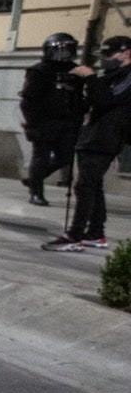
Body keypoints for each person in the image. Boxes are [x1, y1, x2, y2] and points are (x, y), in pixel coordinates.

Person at [44, 34, 131, 251]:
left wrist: (90, 78)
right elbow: (91, 103)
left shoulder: (127, 77)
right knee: (93, 185)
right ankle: (95, 232)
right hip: (92, 135)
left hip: (107, 138)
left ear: (127, 54)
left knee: (85, 186)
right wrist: (74, 88)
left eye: (110, 54)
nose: (105, 59)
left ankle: (74, 236)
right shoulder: (110, 76)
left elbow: (106, 100)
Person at [21, 32, 89, 206]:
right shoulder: (39, 71)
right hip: (44, 121)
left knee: (65, 157)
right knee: (41, 157)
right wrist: (32, 124)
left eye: (67, 50)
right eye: (60, 50)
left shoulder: (76, 71)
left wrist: (79, 114)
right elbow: (28, 100)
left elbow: (79, 97)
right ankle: (36, 192)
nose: (63, 54)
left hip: (68, 122)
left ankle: (35, 178)